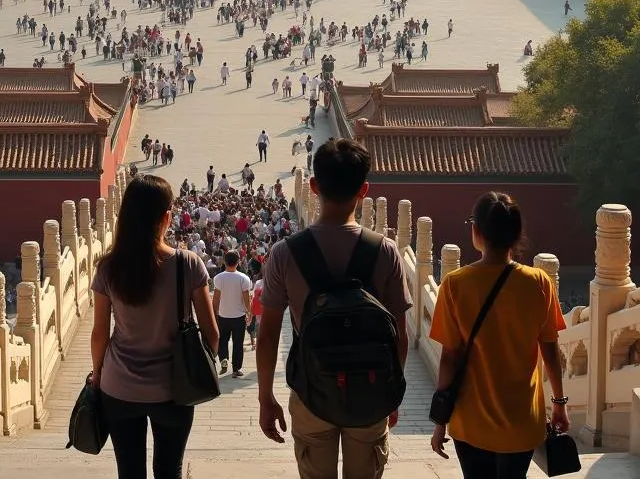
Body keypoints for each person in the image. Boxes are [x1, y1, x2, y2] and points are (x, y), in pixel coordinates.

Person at [257, 137, 410, 479]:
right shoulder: (384, 251)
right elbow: (400, 336)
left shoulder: (285, 253)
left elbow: (266, 336)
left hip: (312, 389)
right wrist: (392, 393)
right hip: (371, 389)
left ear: (313, 186)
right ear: (364, 190)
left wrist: (265, 398)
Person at [429, 191, 569, 479]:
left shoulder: (455, 285)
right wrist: (559, 403)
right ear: (517, 234)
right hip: (521, 420)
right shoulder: (539, 282)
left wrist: (440, 420)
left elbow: (449, 359)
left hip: (471, 421)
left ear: (476, 231)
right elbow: (550, 350)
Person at [90, 175, 219, 479]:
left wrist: (98, 375)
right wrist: (200, 368)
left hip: (119, 387)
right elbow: (211, 333)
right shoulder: (188, 264)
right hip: (174, 387)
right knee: (168, 470)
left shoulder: (108, 268)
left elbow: (99, 334)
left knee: (129, 472)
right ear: (166, 217)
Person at [212, 250, 253, 378]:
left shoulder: (218, 278)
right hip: (239, 317)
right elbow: (247, 299)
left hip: (223, 316)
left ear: (224, 261)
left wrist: (214, 314)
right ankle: (236, 369)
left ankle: (223, 358)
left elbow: (216, 299)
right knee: (238, 343)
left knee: (223, 339)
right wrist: (250, 313)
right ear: (238, 262)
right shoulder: (243, 278)